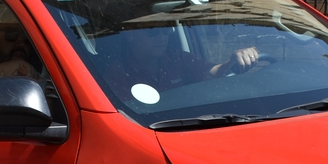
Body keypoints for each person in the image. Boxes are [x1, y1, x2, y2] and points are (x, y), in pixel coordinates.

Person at [101, 25, 260, 105]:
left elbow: (211, 73)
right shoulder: (117, 73)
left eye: (166, 30)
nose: (162, 37)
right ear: (130, 35)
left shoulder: (178, 58)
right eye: (152, 31)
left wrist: (233, 61)